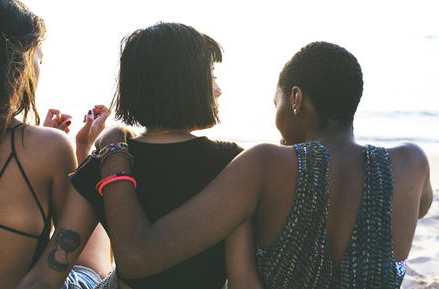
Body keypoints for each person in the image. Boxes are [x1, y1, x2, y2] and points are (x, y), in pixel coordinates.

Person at [94, 41, 433, 288]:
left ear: (296, 99)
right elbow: (415, 210)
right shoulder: (411, 164)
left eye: (277, 103)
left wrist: (114, 149)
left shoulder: (267, 164)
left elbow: (138, 257)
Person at [16, 22, 263, 289]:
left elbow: (44, 278)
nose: (219, 90)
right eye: (211, 76)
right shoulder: (233, 164)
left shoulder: (99, 165)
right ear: (186, 83)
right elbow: (242, 280)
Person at [0, 1, 111, 288]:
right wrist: (81, 150)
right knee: (92, 269)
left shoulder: (40, 146)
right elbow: (71, 245)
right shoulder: (49, 148)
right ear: (18, 65)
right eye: (39, 60)